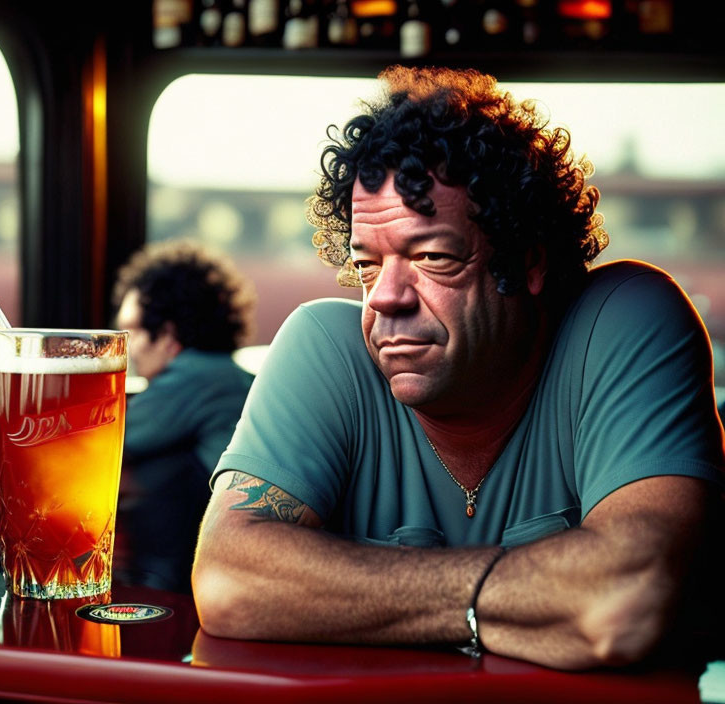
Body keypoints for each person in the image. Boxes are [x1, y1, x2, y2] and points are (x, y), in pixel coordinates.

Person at [191, 66, 725, 669]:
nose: (384, 298)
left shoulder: (626, 318)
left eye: (433, 257)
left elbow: (623, 600)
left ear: (527, 261)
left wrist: (351, 595)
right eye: (368, 266)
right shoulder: (325, 347)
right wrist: (519, 599)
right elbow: (228, 580)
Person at [112, 239, 256, 593]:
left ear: (167, 335)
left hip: (236, 558)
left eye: (131, 331)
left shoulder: (195, 377)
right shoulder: (227, 375)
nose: (126, 348)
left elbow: (108, 441)